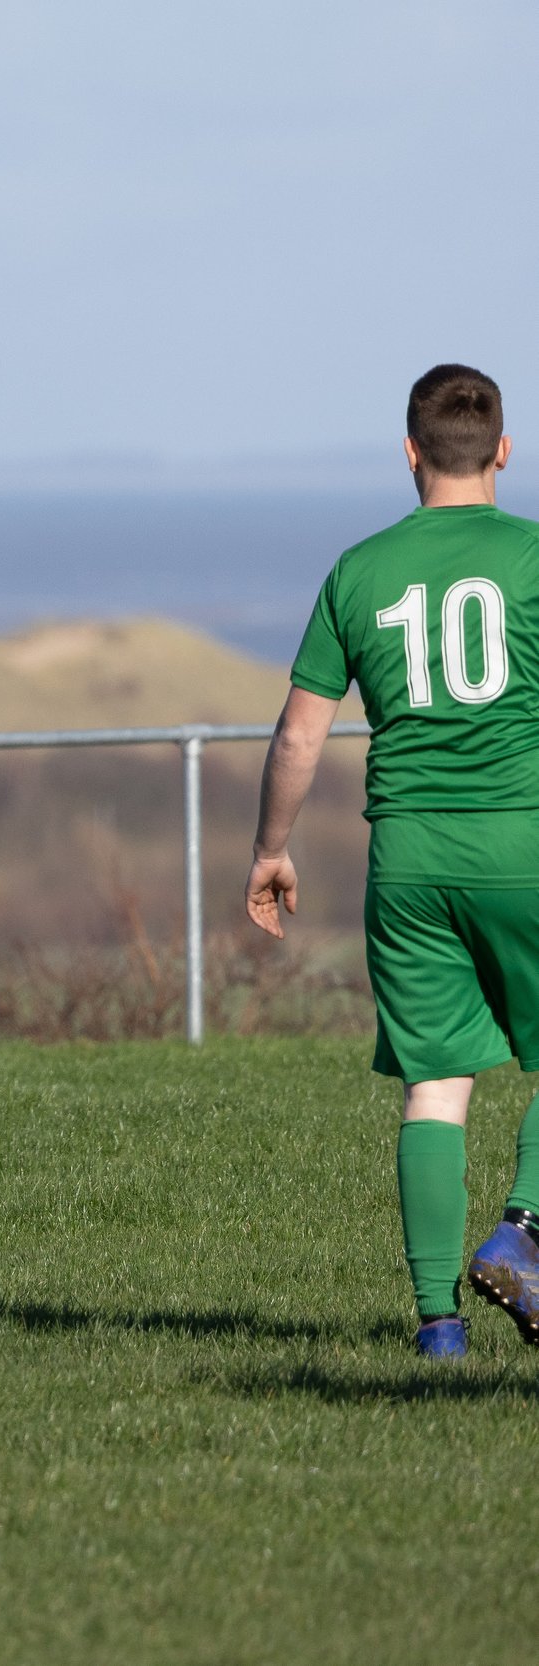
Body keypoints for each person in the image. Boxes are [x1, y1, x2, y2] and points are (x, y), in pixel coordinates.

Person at [247, 363, 539, 1358]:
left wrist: (270, 848)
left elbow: (295, 737)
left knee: (434, 1084)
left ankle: (438, 1328)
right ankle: (523, 1230)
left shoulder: (358, 570)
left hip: (406, 857)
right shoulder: (533, 558)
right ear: (502, 451)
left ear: (409, 453)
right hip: (522, 840)